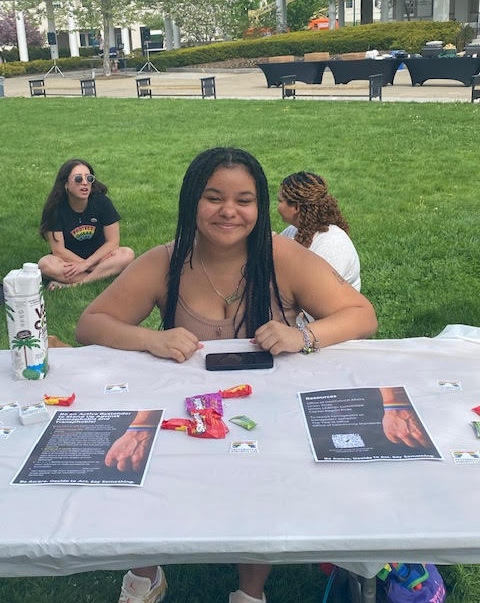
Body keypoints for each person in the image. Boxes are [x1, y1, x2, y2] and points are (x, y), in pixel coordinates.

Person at [76, 147, 378, 603]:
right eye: (214, 197)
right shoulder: (167, 261)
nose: (229, 211)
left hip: (267, 414)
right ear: (191, 201)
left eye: (245, 199)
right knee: (138, 453)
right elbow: (91, 323)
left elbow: (359, 314)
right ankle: (146, 571)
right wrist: (151, 339)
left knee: (263, 474)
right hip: (183, 414)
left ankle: (250, 589)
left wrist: (305, 336)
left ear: (259, 206)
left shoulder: (284, 256)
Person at [38, 158, 134, 290]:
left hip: (100, 258)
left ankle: (75, 284)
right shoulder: (55, 209)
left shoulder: (102, 202)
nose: (84, 183)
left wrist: (87, 265)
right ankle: (101, 277)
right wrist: (84, 264)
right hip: (69, 261)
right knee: (45, 264)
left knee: (127, 254)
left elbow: (113, 242)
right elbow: (59, 251)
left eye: (89, 179)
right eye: (78, 179)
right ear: (65, 184)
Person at [277, 171, 361, 291]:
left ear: (296, 207)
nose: (277, 206)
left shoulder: (332, 245)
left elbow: (319, 295)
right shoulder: (294, 230)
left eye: (280, 201)